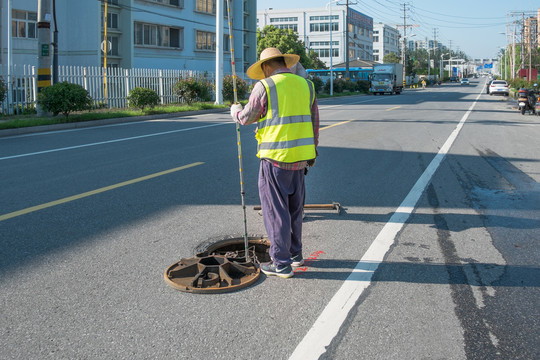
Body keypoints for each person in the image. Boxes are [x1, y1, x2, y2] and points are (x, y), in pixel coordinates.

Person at [230, 48, 319, 278]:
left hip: (275, 159)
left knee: (275, 211)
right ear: (284, 64)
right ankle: (296, 254)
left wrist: (235, 111)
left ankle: (280, 263)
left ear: (266, 67)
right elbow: (314, 122)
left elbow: (248, 117)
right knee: (294, 208)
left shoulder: (266, 86)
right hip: (301, 158)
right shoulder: (306, 85)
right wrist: (313, 152)